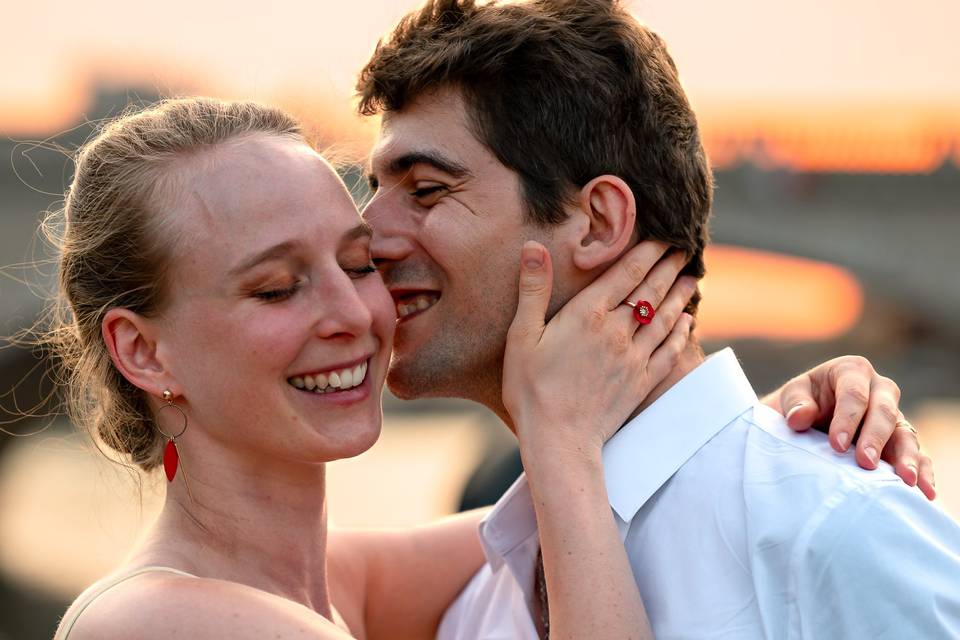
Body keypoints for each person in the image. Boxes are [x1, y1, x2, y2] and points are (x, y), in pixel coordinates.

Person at [46, 99, 929, 640]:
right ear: (143, 350)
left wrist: (761, 428)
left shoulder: (340, 583)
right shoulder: (157, 623)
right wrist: (560, 433)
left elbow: (654, 483)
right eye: (277, 288)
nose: (356, 315)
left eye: (360, 265)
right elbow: (574, 502)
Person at [356, 0, 960, 637]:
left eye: (425, 189)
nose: (367, 238)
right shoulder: (481, 604)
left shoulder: (832, 529)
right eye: (373, 189)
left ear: (598, 223)